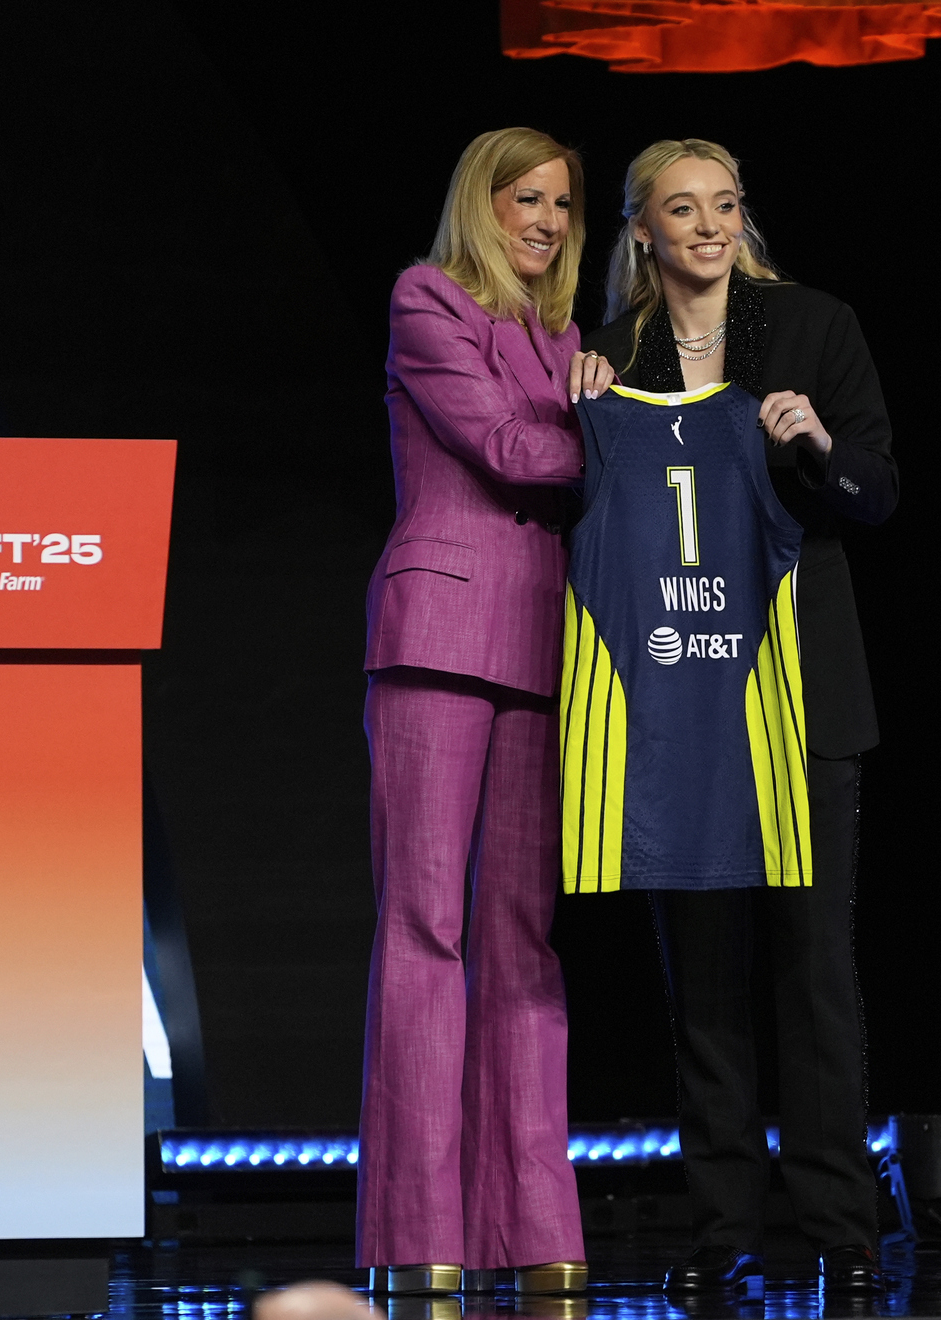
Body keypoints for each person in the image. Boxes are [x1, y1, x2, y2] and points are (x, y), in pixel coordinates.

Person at [581, 138, 900, 1295]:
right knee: (703, 984)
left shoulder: (813, 324)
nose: (708, 226)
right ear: (644, 232)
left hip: (804, 698)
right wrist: (576, 417)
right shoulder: (609, 353)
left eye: (724, 205)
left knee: (814, 969)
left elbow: (877, 489)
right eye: (682, 209)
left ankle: (842, 1228)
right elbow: (589, 522)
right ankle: (722, 1238)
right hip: (678, 706)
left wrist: (817, 444)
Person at [358, 127, 614, 1296]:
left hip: (544, 649)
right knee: (427, 930)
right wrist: (615, 422)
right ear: (483, 201)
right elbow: (511, 448)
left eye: (564, 203)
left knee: (523, 943)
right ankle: (422, 1236)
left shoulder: (568, 339)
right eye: (528, 197)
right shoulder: (430, 299)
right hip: (441, 640)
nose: (549, 220)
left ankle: (536, 1228)